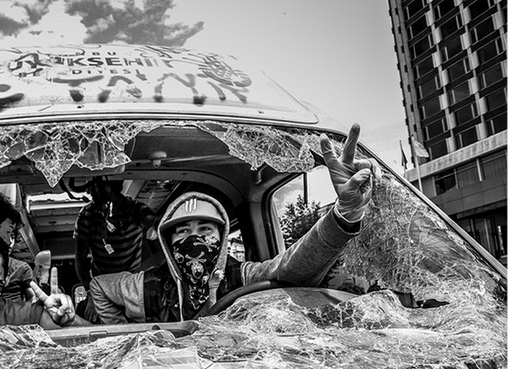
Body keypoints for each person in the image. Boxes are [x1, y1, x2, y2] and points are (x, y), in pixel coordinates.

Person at [89, 125, 379, 323]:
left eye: (205, 230)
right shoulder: (147, 287)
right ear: (167, 241)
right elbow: (99, 286)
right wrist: (130, 338)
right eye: (182, 230)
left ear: (223, 236)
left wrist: (344, 215)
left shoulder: (242, 277)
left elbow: (291, 269)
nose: (194, 240)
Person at [74, 176, 158, 297]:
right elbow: (80, 260)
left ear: (109, 186)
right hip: (102, 283)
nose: (88, 191)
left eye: (93, 185)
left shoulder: (134, 208)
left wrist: (155, 225)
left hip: (131, 282)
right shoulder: (87, 214)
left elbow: (151, 220)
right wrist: (90, 292)